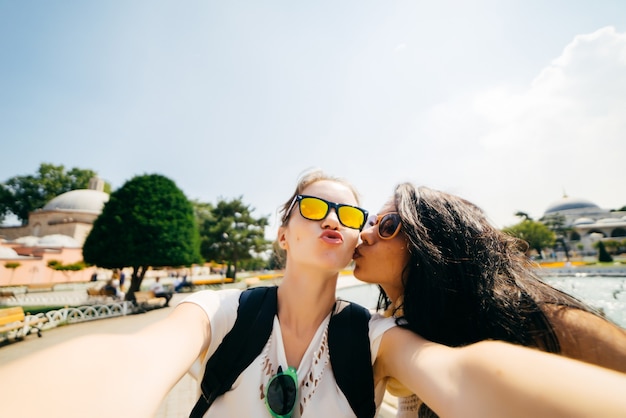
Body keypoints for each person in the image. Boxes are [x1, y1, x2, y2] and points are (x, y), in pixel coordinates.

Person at [0, 172, 625, 417]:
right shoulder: (218, 313)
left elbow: (460, 372)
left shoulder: (377, 336)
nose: (339, 220)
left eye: (354, 216)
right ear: (284, 231)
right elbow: (127, 359)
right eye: (316, 206)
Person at [353, 183, 626, 417]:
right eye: (372, 224)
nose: (364, 234)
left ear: (433, 240)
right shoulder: (400, 325)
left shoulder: (541, 321)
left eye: (387, 225)